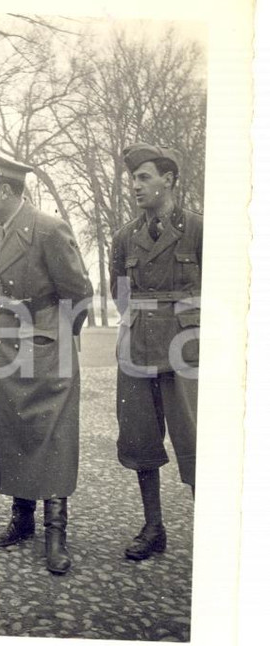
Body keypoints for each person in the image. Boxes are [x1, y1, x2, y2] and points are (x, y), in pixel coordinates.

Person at [0, 145, 93, 574]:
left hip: (47, 343)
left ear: (5, 189)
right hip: (7, 341)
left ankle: (56, 532)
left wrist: (59, 340)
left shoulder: (48, 228)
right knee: (15, 429)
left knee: (50, 435)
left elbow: (80, 293)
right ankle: (21, 521)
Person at [110, 142, 202, 561]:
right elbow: (120, 293)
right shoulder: (124, 237)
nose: (135, 186)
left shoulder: (199, 229)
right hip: (137, 349)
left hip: (185, 352)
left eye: (144, 177)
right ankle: (153, 526)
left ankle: (214, 529)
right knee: (141, 440)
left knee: (198, 441)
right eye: (132, 179)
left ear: (169, 180)